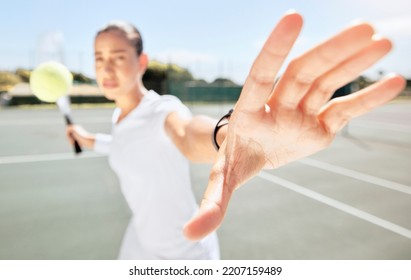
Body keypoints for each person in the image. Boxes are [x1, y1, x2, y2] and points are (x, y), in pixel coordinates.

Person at [67, 11, 406, 258]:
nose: (106, 68)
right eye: (98, 58)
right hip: (137, 246)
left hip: (182, 256)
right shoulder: (119, 116)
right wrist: (87, 138)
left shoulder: (162, 111)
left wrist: (226, 135)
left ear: (141, 62)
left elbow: (187, 132)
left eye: (117, 57)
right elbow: (124, 144)